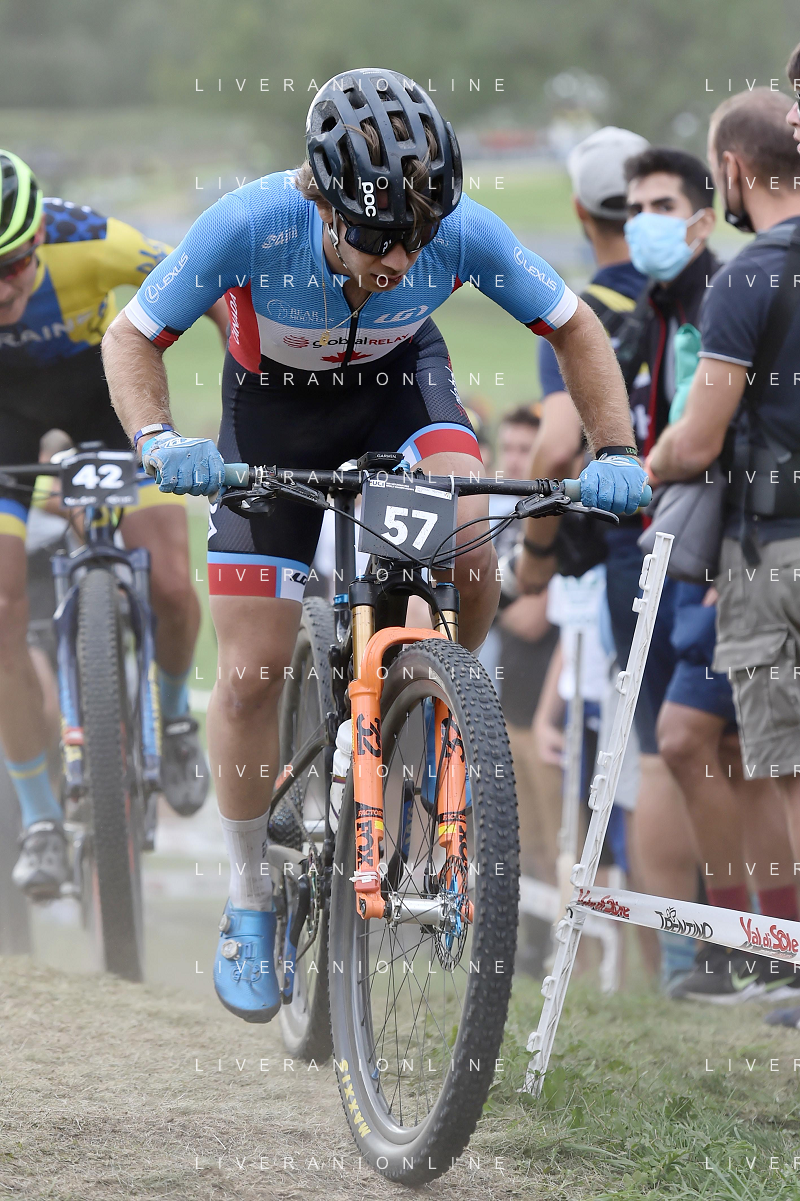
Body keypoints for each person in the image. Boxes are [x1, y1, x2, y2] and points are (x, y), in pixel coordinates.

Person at [101, 68, 647, 1024]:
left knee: (469, 549)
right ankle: (250, 892)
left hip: (402, 389)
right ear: (320, 200)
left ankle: (435, 705)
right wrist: (159, 440)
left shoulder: (459, 228)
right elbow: (131, 336)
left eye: (416, 238)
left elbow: (575, 327)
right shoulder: (251, 222)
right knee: (252, 672)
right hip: (271, 411)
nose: (397, 260)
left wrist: (617, 449)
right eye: (374, 235)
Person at [0, 150, 225, 900]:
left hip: (101, 398)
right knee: (2, 609)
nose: (2, 289)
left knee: (171, 584)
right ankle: (39, 819)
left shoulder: (94, 242)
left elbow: (210, 288)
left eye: (13, 266)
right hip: (5, 418)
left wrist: (250, 389)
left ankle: (175, 720)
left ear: (39, 240)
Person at [646, 84, 800, 1010]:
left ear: (734, 171)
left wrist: (645, 464)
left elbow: (698, 439)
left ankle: (780, 957)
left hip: (774, 548)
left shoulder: (749, 276)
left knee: (787, 765)